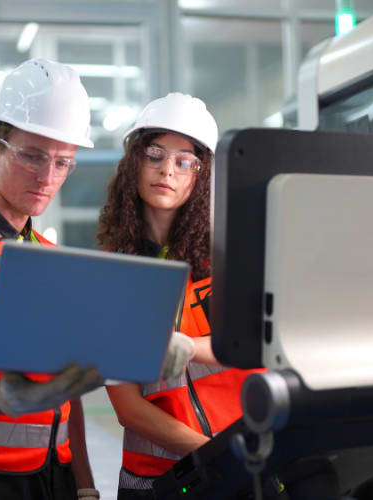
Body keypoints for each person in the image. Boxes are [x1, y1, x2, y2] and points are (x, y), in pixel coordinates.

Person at [0, 59, 193, 500]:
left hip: (52, 477)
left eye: (63, 162)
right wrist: (0, 399)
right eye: (32, 156)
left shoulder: (47, 259)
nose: (48, 177)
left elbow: (65, 392)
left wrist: (84, 484)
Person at [97, 92, 262, 500]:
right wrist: (211, 456)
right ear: (135, 162)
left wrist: (188, 347)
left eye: (184, 160)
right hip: (156, 481)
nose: (166, 170)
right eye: (154, 154)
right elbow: (127, 406)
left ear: (201, 174)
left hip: (246, 462)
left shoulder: (233, 257)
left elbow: (261, 345)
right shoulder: (112, 273)